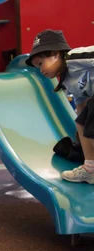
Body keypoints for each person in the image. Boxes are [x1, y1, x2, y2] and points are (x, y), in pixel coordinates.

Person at [26, 30, 94, 184]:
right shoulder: (68, 81)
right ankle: (90, 168)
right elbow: (81, 105)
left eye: (41, 64)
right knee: (81, 122)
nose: (41, 70)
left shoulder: (74, 59)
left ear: (56, 54)